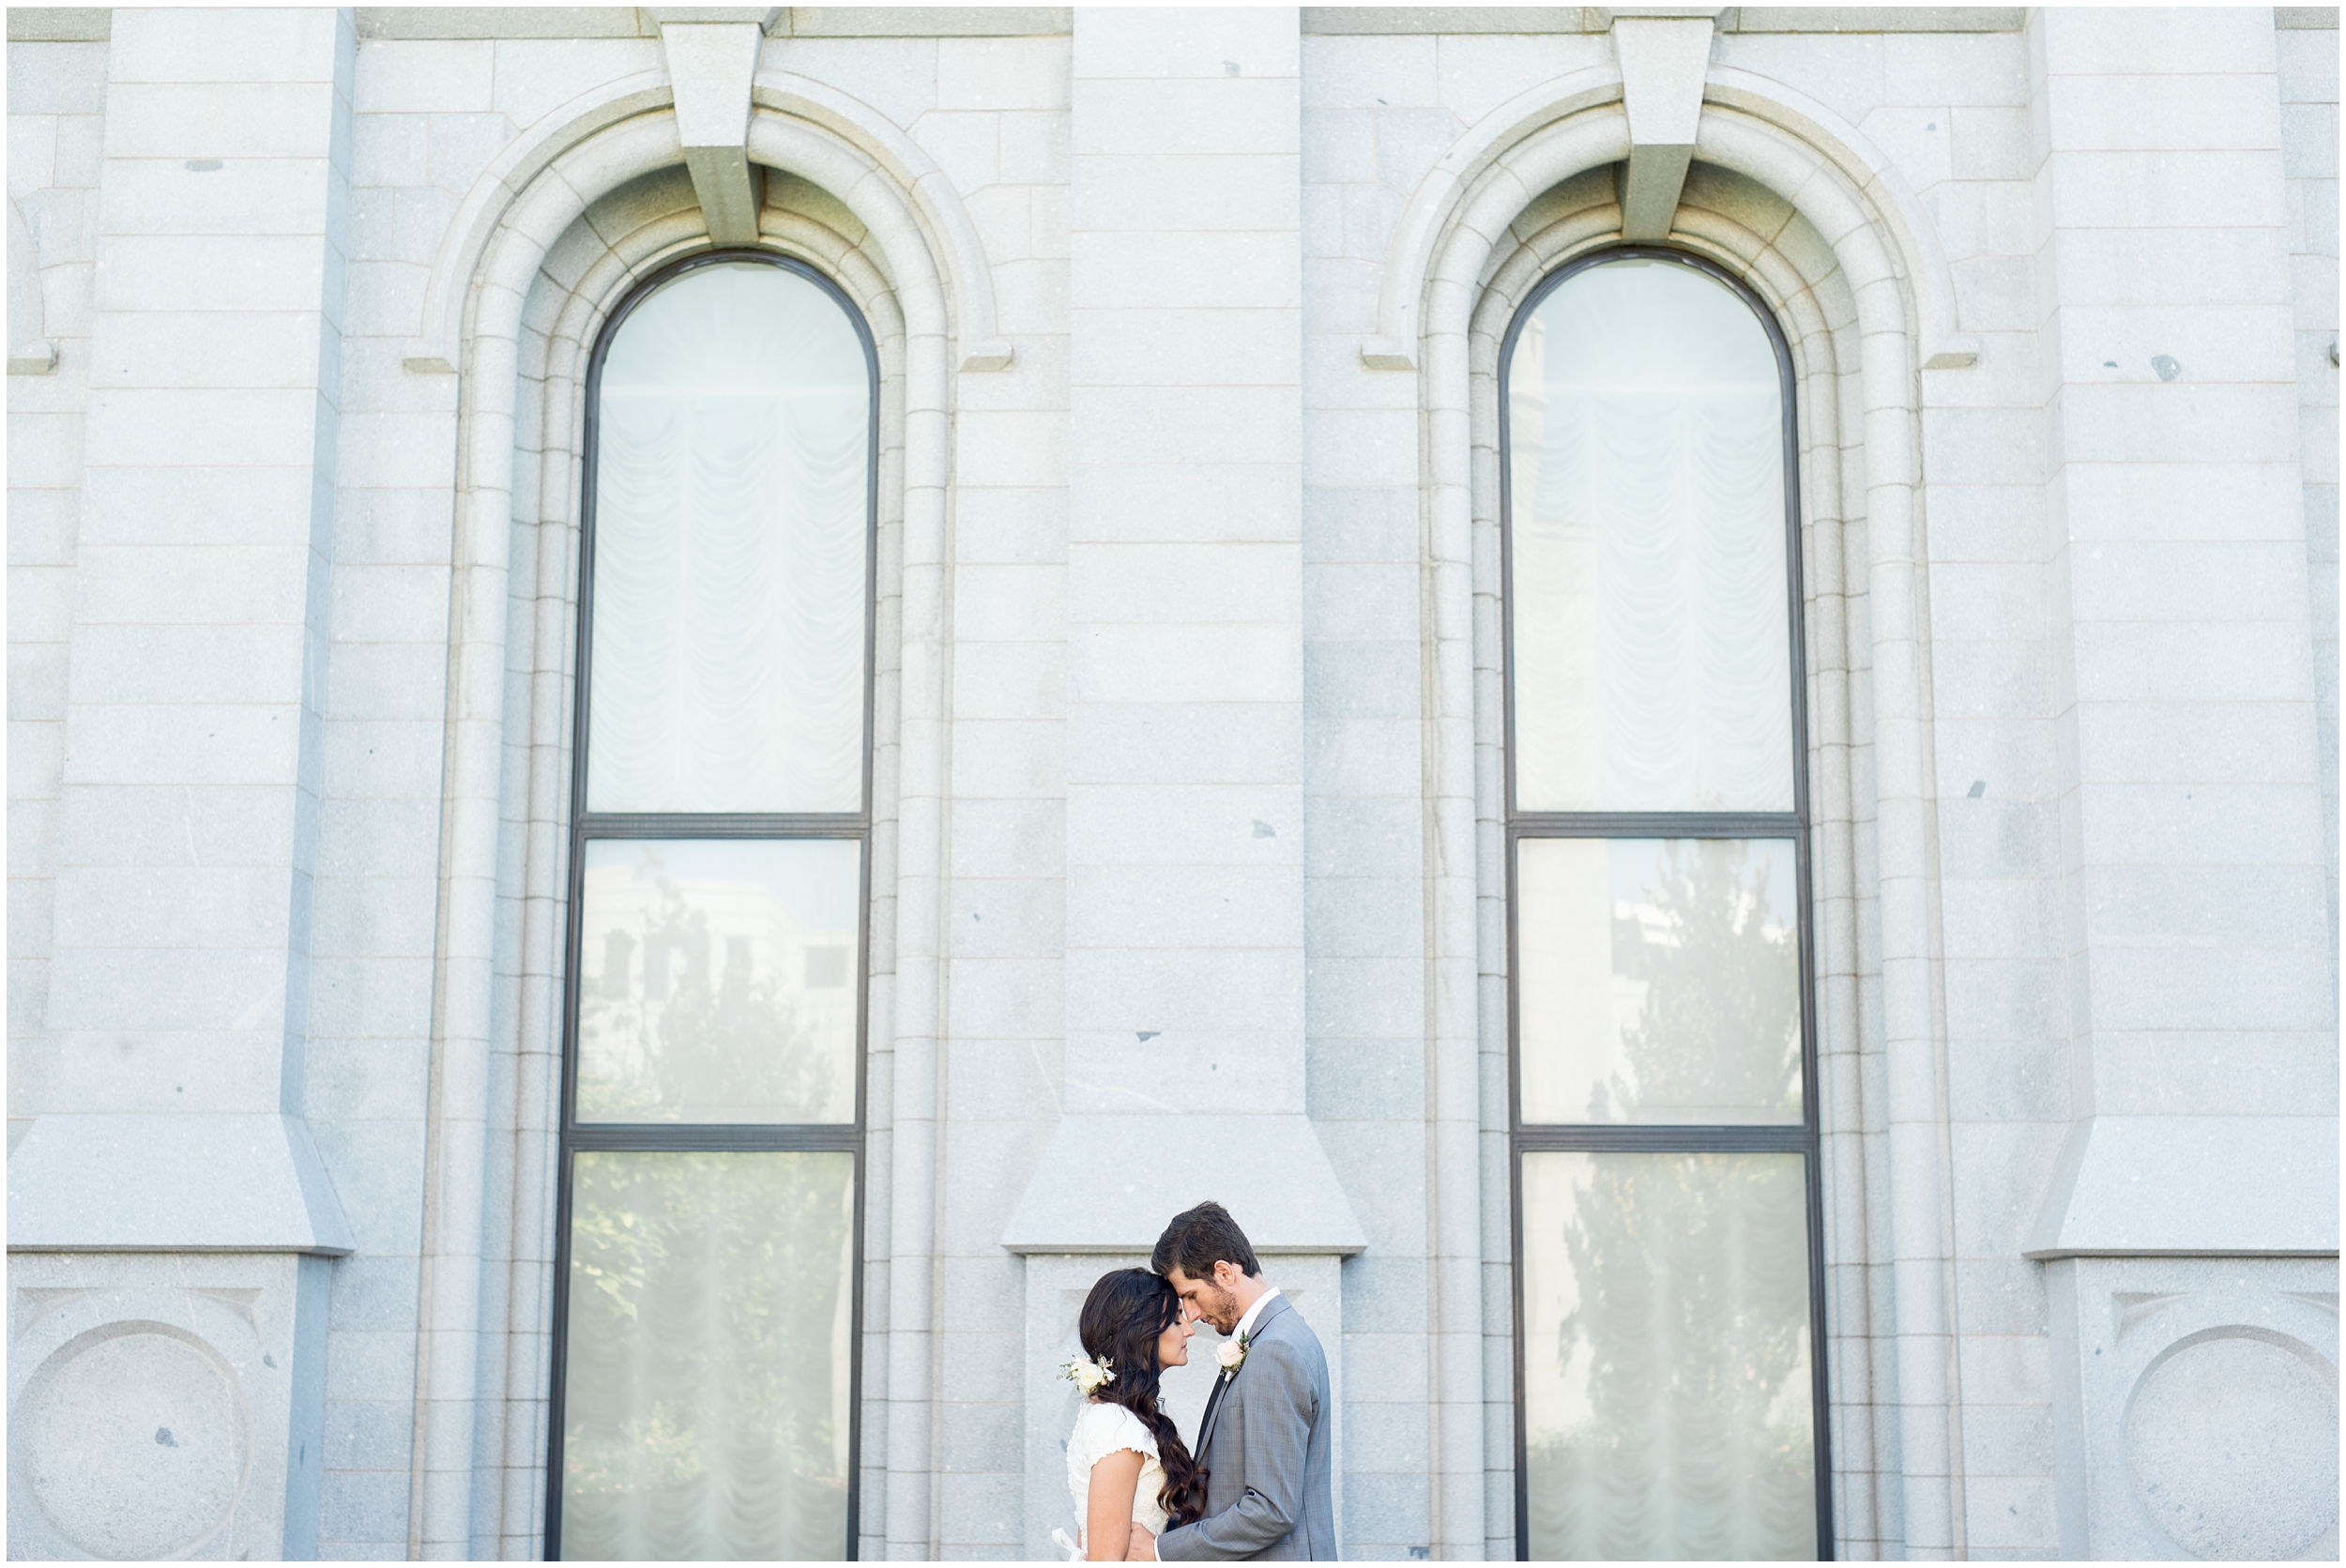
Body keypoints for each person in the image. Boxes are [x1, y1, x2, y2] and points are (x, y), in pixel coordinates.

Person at [1143, 1202, 1338, 1561]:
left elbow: (1271, 1509)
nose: (1193, 1314)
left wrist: (1159, 1551)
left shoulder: (1274, 1350)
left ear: (1224, 1272)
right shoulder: (1276, 1336)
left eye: (1190, 1295)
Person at [1054, 1268, 1211, 1561]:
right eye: (1176, 1320)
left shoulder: (1116, 1416)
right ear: (1142, 1331)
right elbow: (1104, 1558)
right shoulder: (1118, 1427)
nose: (1189, 1329)